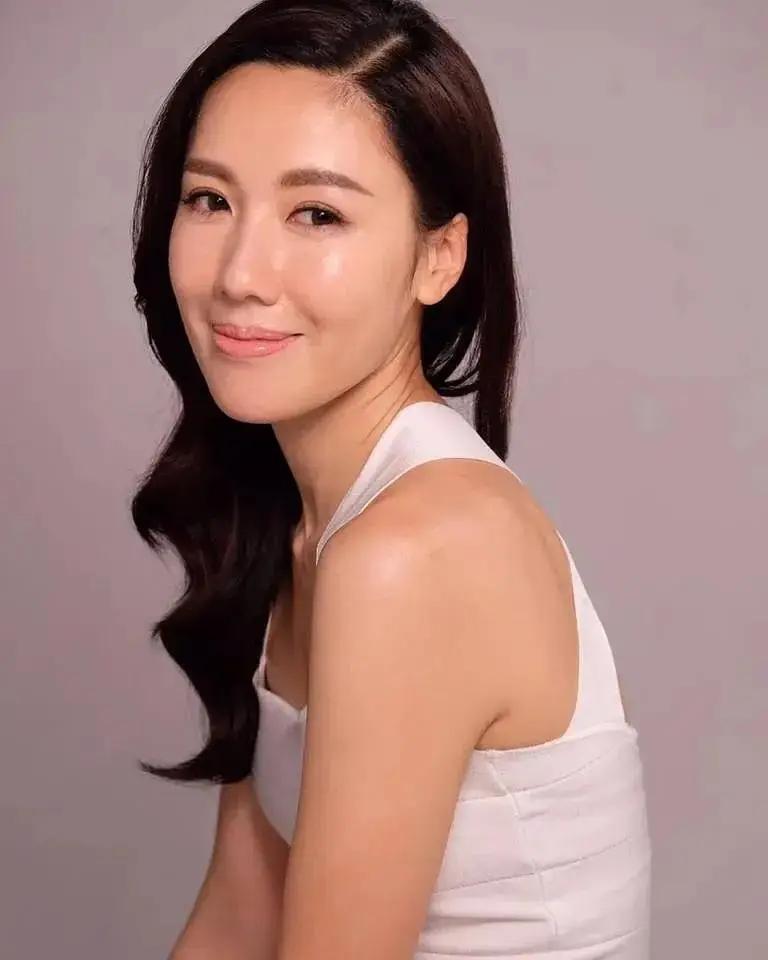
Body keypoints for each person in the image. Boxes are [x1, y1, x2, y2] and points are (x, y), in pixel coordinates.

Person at [130, 1, 652, 957]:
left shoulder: (416, 549)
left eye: (317, 214)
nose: (241, 273)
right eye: (209, 200)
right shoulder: (307, 519)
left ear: (437, 256)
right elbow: (240, 915)